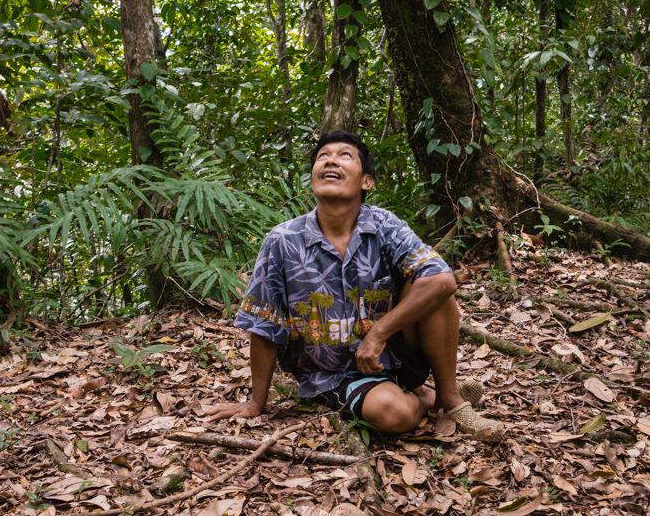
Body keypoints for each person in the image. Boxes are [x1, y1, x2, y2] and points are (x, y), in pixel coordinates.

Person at [206, 130, 503, 440]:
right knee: (393, 412)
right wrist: (256, 402)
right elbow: (265, 325)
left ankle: (450, 399)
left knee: (435, 287)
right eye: (323, 157)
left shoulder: (385, 225)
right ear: (313, 177)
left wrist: (378, 333)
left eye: (344, 156)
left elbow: (442, 279)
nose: (331, 161)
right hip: (334, 374)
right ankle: (426, 398)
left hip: (394, 353)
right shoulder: (283, 241)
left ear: (366, 182)